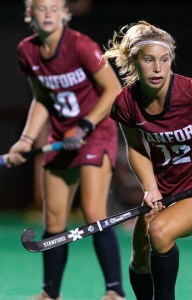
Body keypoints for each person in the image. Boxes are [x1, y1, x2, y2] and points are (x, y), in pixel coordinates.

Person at [105, 21, 192, 299]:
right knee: (141, 255)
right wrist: (150, 187)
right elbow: (135, 148)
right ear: (134, 61)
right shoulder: (126, 102)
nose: (158, 68)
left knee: (158, 232)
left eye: (164, 60)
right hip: (164, 189)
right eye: (149, 60)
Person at [7, 0, 125, 299]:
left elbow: (113, 90)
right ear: (29, 14)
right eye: (41, 8)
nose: (48, 14)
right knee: (54, 220)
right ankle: (50, 293)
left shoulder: (81, 46)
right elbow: (42, 99)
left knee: (93, 211)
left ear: (64, 14)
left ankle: (115, 291)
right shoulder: (27, 50)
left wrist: (85, 126)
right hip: (61, 137)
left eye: (54, 8)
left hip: (95, 132)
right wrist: (25, 139)